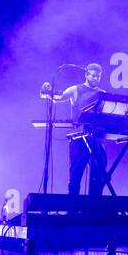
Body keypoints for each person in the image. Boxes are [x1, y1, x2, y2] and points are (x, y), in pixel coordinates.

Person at [51, 63, 108, 195]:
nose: (95, 78)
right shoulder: (76, 89)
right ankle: (73, 210)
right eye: (93, 76)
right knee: (75, 175)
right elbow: (59, 98)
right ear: (86, 74)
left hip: (97, 139)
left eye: (98, 76)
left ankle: (93, 210)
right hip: (79, 138)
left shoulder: (103, 94)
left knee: (99, 176)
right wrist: (48, 92)